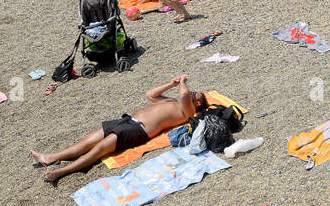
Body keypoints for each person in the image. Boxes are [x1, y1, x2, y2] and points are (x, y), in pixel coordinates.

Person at [31, 76, 208, 184]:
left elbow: (184, 95)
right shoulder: (171, 102)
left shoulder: (188, 111)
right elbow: (150, 95)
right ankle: (51, 158)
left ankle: (61, 172)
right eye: (194, 92)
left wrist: (183, 82)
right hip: (126, 120)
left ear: (198, 104)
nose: (192, 93)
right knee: (87, 141)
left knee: (98, 150)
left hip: (138, 130)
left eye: (196, 96)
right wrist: (171, 84)